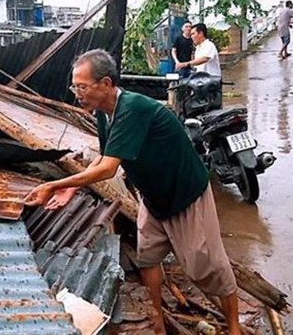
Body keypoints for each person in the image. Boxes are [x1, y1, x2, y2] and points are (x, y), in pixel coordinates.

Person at [24, 49, 241, 335]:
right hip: (153, 197)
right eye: (74, 86)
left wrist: (54, 185)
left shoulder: (132, 109)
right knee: (148, 257)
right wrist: (72, 188)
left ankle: (234, 328)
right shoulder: (104, 114)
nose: (76, 92)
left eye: (81, 86)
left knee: (206, 266)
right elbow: (104, 158)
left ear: (105, 84)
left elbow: (109, 169)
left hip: (185, 194)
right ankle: (158, 322)